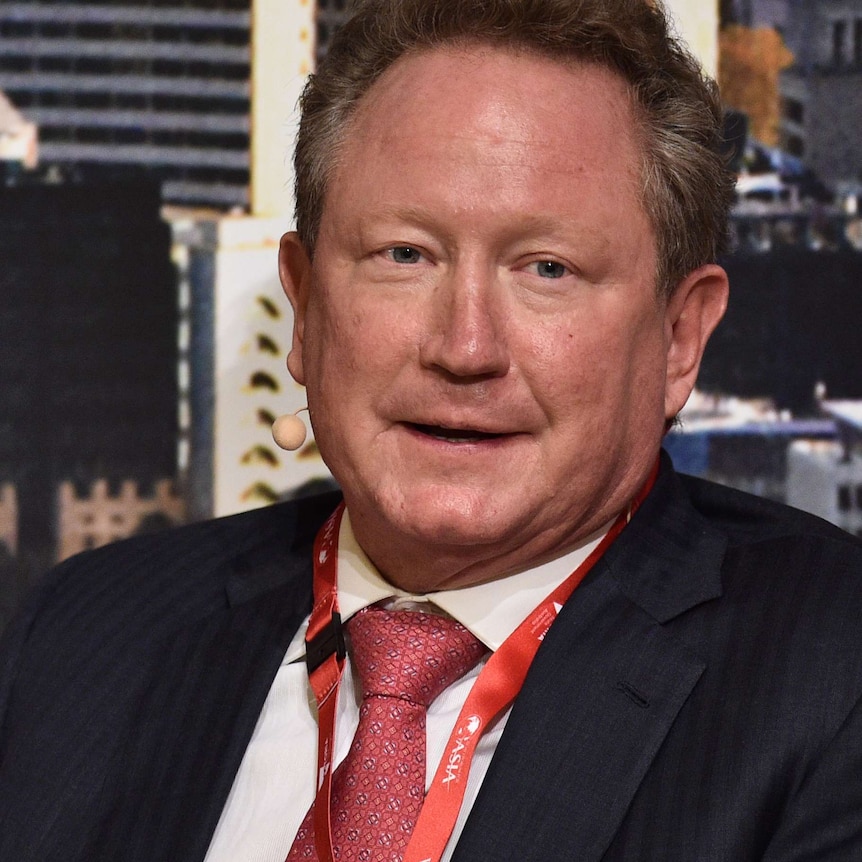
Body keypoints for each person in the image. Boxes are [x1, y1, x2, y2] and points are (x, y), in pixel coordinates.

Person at [2, 0, 862, 859]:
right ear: (302, 307)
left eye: (547, 269)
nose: (465, 348)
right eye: (405, 255)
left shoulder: (830, 680)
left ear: (680, 337)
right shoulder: (84, 635)